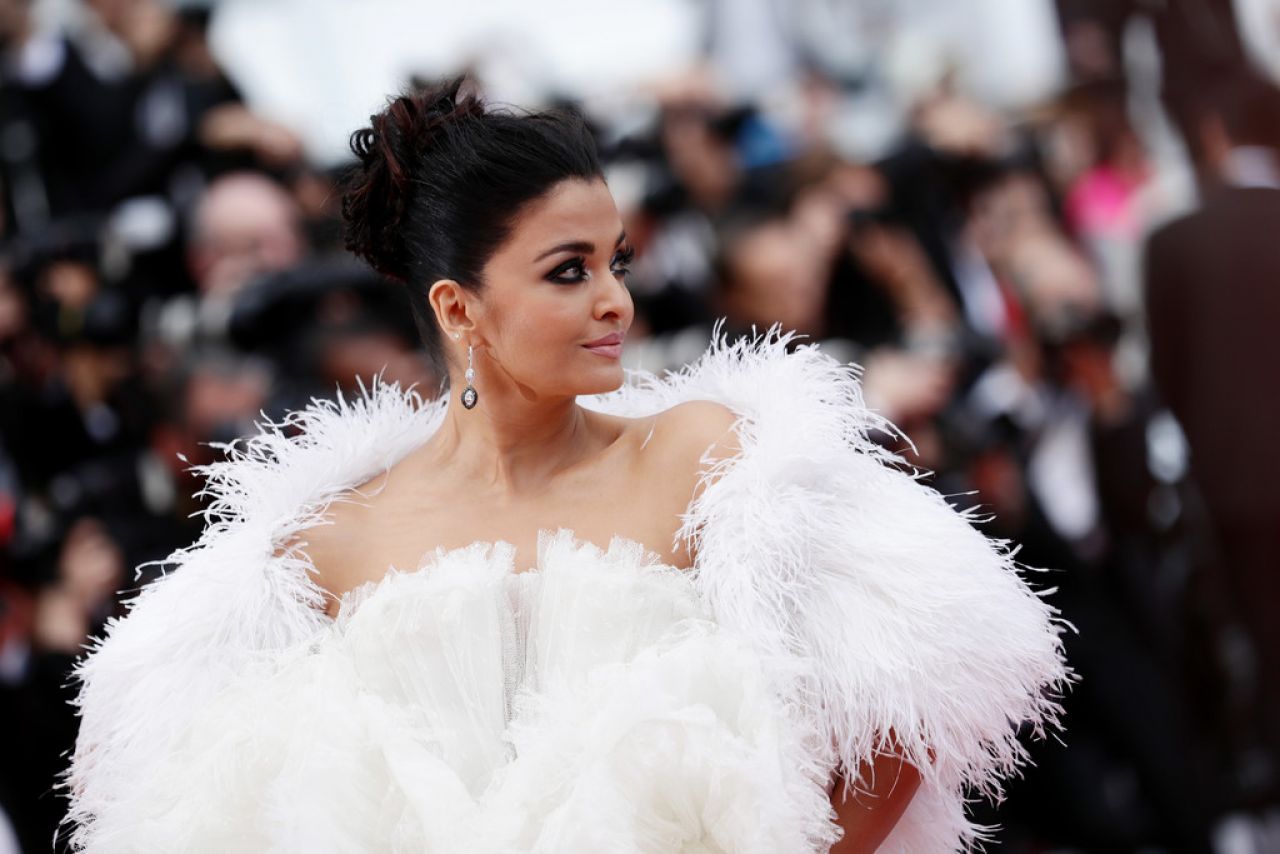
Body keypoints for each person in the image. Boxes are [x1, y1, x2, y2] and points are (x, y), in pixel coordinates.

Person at [56, 78, 1070, 853]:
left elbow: (910, 707)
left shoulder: (711, 457)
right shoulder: (325, 543)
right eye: (567, 269)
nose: (615, 300)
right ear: (458, 309)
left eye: (616, 260)